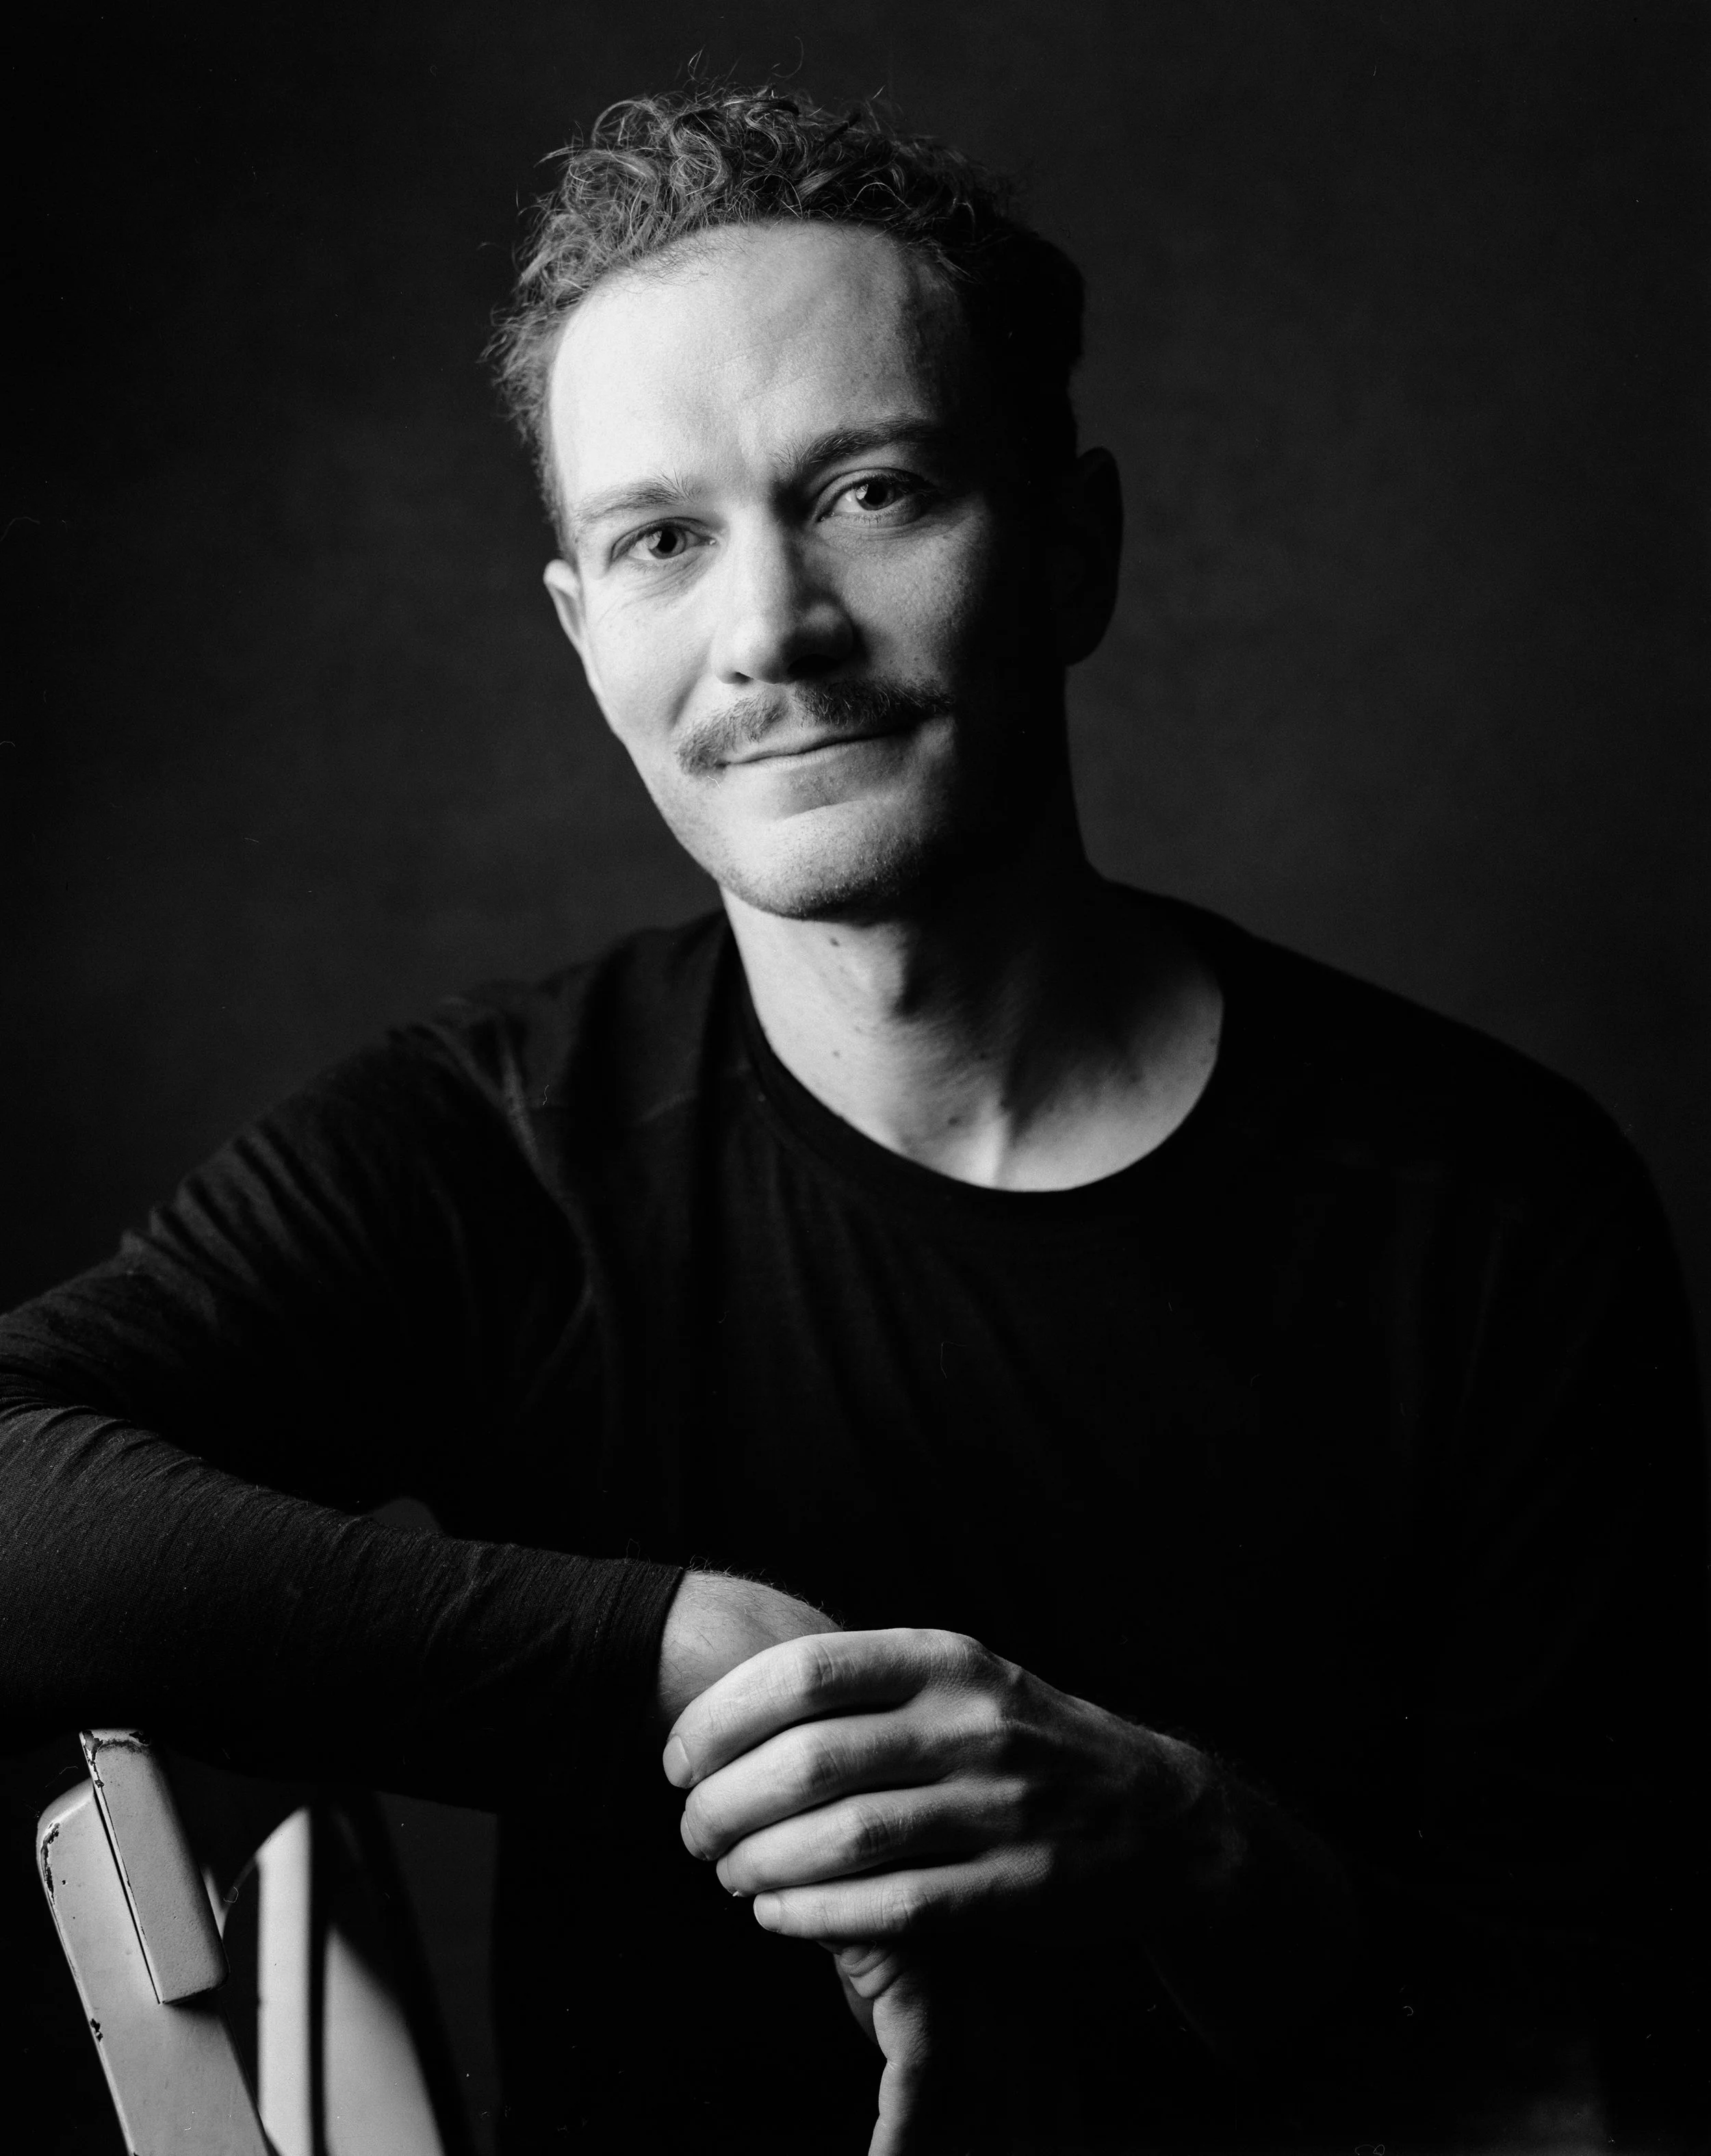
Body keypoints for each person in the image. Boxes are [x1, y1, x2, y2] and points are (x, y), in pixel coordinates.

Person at [1, 81, 1704, 2155]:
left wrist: (1200, 1850)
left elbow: (1588, 2083)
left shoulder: (1498, 1208)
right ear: (584, 634)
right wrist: (663, 1649)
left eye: (874, 492)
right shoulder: (507, 1144)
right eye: (662, 540)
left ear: (1069, 549)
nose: (770, 633)